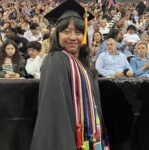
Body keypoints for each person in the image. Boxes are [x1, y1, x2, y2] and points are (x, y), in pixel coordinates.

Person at [30, 0, 108, 150]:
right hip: (68, 141)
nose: (73, 37)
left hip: (87, 141)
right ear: (57, 34)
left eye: (78, 32)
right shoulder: (56, 60)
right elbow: (55, 113)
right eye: (66, 31)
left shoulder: (83, 65)